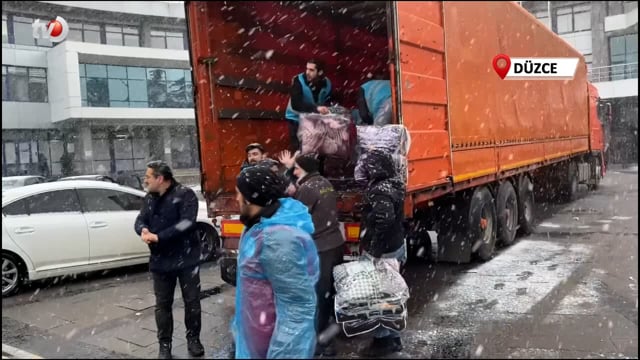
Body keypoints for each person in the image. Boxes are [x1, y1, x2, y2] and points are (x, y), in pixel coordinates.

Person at [232, 166, 320, 359]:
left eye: (238, 194)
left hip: (268, 347)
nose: (236, 199)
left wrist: (285, 354)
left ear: (249, 198)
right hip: (256, 340)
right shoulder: (260, 222)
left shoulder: (277, 239)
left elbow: (297, 309)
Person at [134, 161, 204, 359]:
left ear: (160, 178)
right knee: (162, 305)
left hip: (186, 259)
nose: (145, 180)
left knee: (192, 302)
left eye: (148, 176)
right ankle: (164, 345)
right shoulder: (149, 198)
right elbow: (140, 220)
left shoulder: (185, 194)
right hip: (160, 261)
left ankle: (193, 339)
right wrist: (143, 230)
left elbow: (186, 223)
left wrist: (160, 237)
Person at [289, 153, 345, 356]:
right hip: (334, 243)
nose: (294, 171)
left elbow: (297, 218)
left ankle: (321, 343)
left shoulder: (307, 189)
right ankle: (332, 332)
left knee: (318, 297)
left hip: (319, 247)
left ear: (303, 169)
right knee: (330, 293)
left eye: (295, 168)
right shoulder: (324, 182)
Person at [358, 149, 407, 357]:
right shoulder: (395, 184)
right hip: (396, 247)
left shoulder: (379, 190)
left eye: (368, 166)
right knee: (393, 294)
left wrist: (375, 252)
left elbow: (384, 220)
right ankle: (394, 338)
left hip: (384, 252)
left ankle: (382, 342)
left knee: (379, 298)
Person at [285, 59, 333, 152]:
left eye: (311, 70)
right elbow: (296, 104)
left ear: (320, 72)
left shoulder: (327, 84)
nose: (307, 72)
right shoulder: (298, 80)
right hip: (296, 119)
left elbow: (329, 100)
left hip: (315, 120)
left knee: (315, 149)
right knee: (298, 150)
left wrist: (328, 110)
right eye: (307, 69)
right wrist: (316, 108)